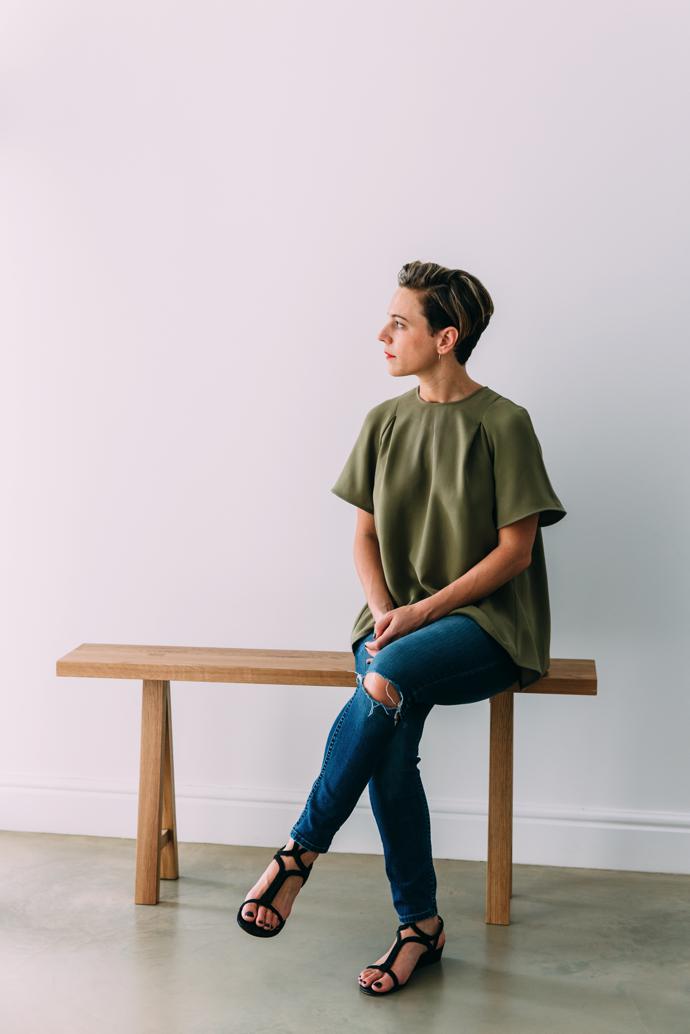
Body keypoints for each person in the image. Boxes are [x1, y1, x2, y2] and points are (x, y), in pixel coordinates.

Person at [237, 260, 567, 997]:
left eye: (400, 323)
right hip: (390, 622)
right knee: (389, 737)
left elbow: (516, 552)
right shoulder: (383, 421)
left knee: (386, 679)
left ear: (446, 338)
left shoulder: (504, 423)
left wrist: (419, 615)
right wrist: (389, 611)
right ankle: (419, 927)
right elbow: (364, 538)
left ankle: (298, 853)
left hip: (485, 626)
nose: (381, 334)